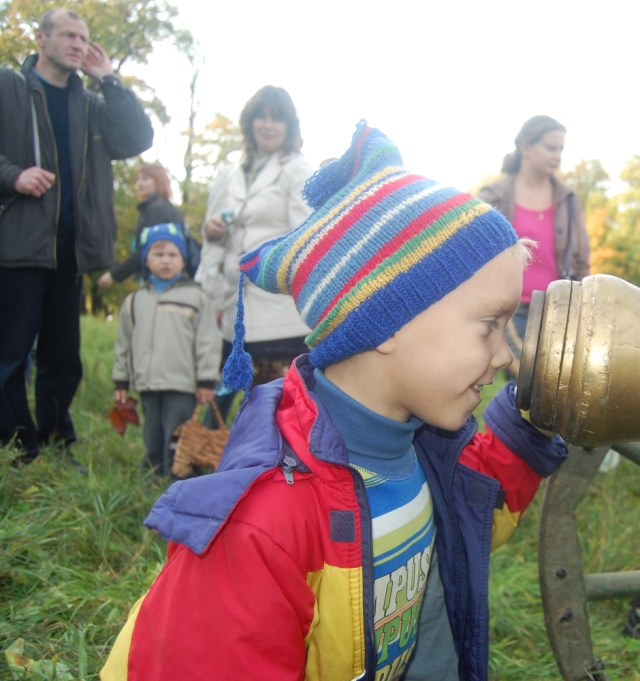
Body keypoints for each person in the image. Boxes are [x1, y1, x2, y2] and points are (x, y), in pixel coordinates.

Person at [101, 122, 568, 681]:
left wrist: (531, 418)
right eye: (490, 325)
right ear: (389, 323)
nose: (504, 356)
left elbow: (475, 506)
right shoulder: (264, 525)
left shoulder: (420, 445)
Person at [0, 8, 153, 466]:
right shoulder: (9, 88)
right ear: (41, 38)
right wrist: (13, 176)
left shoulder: (91, 104)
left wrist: (108, 77)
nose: (77, 44)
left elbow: (137, 138)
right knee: (10, 354)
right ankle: (17, 444)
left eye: (84, 39)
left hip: (72, 251)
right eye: (67, 34)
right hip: (19, 247)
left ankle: (56, 441)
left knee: (63, 358)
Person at [196, 85, 314, 419]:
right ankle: (203, 457)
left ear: (289, 127)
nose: (267, 125)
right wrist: (212, 230)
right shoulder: (230, 174)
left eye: (277, 119)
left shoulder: (296, 169)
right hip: (237, 309)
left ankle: (272, 465)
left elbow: (303, 239)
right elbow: (213, 242)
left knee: (277, 405)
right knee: (224, 392)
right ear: (249, 123)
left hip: (280, 313)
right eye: (260, 117)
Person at [478, 115, 590, 377]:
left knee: (558, 385)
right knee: (529, 380)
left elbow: (581, 260)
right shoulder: (493, 197)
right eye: (551, 148)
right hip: (510, 310)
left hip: (557, 309)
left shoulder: (568, 200)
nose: (558, 156)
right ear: (526, 148)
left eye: (561, 149)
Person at [112, 223, 219, 476]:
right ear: (146, 260)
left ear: (183, 260)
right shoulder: (135, 301)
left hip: (182, 384)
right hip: (148, 384)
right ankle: (153, 474)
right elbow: (124, 344)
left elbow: (208, 341)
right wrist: (121, 381)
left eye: (173, 255)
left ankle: (181, 479)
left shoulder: (196, 298)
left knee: (178, 435)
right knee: (152, 433)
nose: (166, 261)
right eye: (158, 255)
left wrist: (206, 379)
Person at [97, 162, 188, 288]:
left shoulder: (157, 211)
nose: (140, 183)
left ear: (159, 181)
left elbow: (148, 250)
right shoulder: (164, 209)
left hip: (160, 282)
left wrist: (114, 275)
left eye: (145, 179)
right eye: (138, 179)